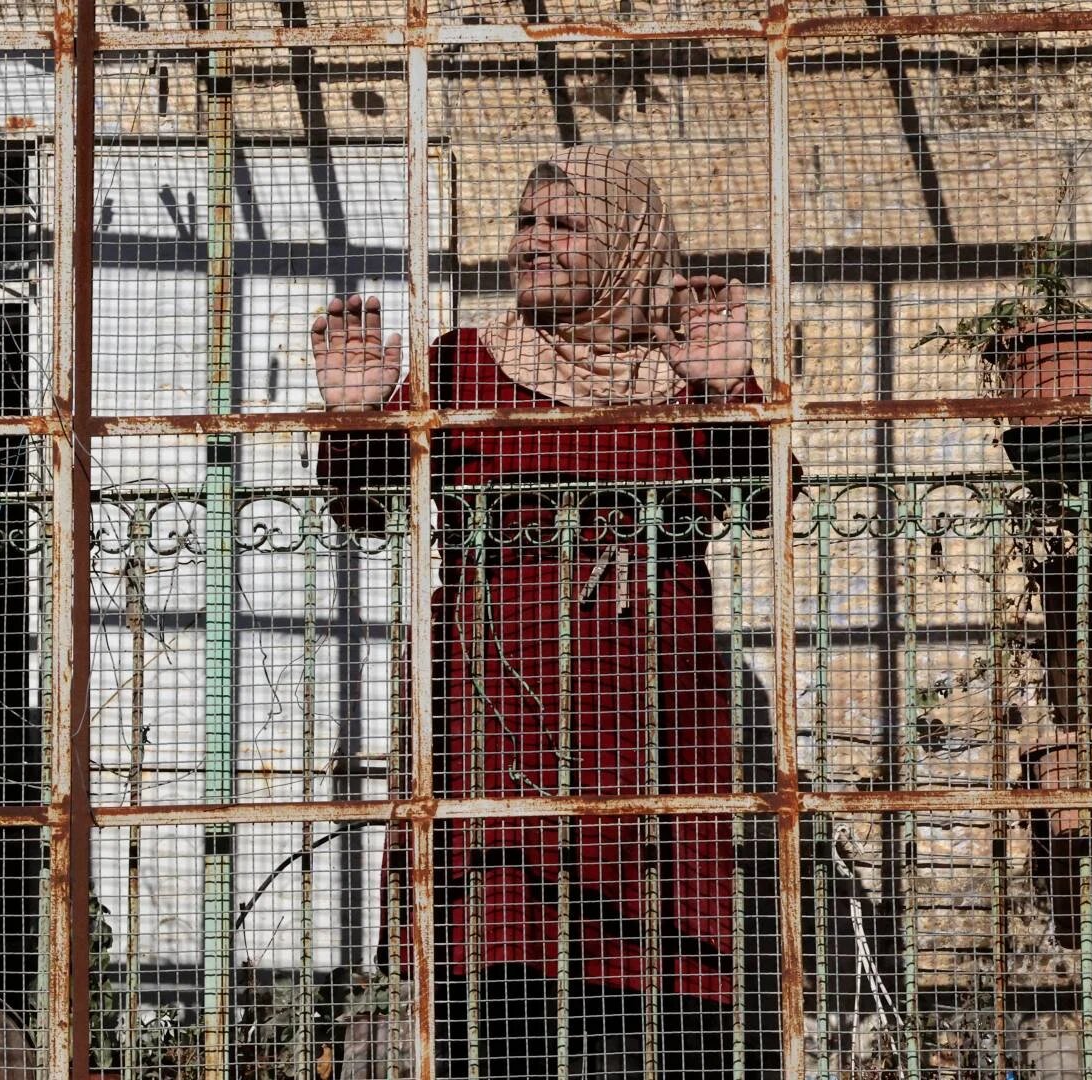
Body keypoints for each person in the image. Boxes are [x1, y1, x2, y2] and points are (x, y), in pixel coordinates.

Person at [314, 147, 781, 1080]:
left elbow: (764, 497)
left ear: (624, 244)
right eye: (527, 224)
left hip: (652, 718)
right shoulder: (464, 364)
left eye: (565, 226)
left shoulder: (686, 368)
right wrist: (360, 416)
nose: (535, 242)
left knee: (655, 987)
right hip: (496, 719)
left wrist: (727, 389)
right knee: (496, 975)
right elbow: (365, 509)